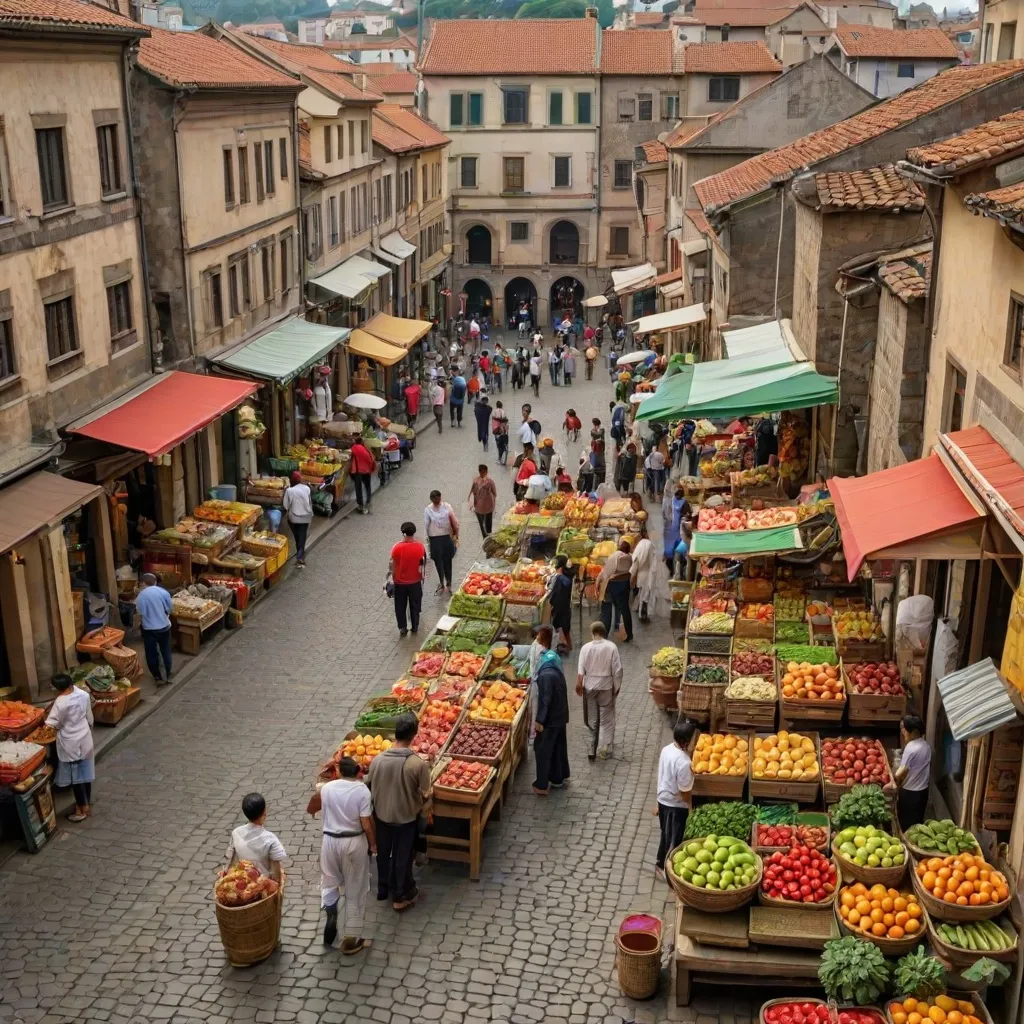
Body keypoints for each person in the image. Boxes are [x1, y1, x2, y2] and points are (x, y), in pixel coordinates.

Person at [306, 757, 375, 953]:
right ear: (357, 772)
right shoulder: (362, 791)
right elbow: (366, 823)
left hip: (329, 842)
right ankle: (351, 940)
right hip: (353, 842)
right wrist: (373, 843)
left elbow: (311, 806)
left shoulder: (328, 788)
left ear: (339, 771)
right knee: (356, 888)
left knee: (329, 881)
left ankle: (330, 911)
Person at [367, 712, 432, 912]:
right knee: (402, 857)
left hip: (383, 816)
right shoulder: (417, 764)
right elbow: (426, 794)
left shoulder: (377, 760)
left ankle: (383, 889)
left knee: (384, 854)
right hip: (405, 819)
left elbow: (368, 785)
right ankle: (400, 896)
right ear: (414, 735)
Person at [45, 673, 95, 822]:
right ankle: (87, 802)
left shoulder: (61, 702)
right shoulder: (83, 694)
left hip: (70, 741)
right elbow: (89, 718)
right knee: (85, 773)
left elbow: (53, 723)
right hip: (84, 737)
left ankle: (82, 809)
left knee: (76, 777)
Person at [576, 622, 623, 761]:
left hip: (589, 687)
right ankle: (605, 748)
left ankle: (591, 748)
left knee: (592, 719)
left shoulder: (585, 648)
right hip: (606, 686)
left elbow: (580, 671)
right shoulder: (611, 647)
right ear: (604, 632)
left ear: (592, 633)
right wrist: (617, 686)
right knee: (607, 719)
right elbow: (618, 670)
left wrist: (579, 686)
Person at [656, 720, 696, 877]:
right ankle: (669, 871)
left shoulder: (667, 749)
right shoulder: (684, 762)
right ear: (686, 741)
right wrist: (691, 810)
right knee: (674, 839)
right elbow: (685, 793)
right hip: (675, 806)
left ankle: (660, 863)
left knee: (665, 834)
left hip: (663, 799)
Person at [532, 643, 571, 796]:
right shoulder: (555, 670)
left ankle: (541, 784)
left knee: (542, 749)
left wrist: (540, 720)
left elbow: (545, 699)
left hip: (551, 719)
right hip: (560, 716)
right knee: (558, 748)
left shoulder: (545, 675)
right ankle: (557, 779)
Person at [226, 792, 287, 882]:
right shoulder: (270, 839)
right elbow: (276, 873)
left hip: (243, 882)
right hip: (263, 886)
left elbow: (231, 862)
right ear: (265, 811)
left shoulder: (236, 833)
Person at [389, 521, 426, 637]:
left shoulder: (396, 548)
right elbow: (423, 562)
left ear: (403, 534)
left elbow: (391, 564)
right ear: (414, 533)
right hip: (415, 581)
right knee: (415, 604)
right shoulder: (420, 547)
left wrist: (390, 577)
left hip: (399, 582)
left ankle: (402, 627)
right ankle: (415, 626)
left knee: (400, 605)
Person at [136, 572, 173, 684]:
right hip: (165, 626)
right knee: (166, 650)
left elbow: (140, 613)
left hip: (149, 629)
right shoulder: (163, 592)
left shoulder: (140, 596)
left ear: (143, 583)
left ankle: (157, 676)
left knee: (151, 653)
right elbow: (170, 608)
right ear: (155, 582)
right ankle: (167, 673)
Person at [895, 715, 931, 829]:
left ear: (914, 732)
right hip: (923, 792)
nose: (903, 732)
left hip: (910, 793)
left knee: (905, 826)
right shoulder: (926, 745)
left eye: (905, 729)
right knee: (917, 825)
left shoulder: (911, 747)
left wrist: (893, 780)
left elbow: (901, 773)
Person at [598, 539, 634, 643]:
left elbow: (606, 573)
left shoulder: (614, 556)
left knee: (607, 608)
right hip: (625, 585)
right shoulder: (630, 557)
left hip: (613, 585)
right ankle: (629, 633)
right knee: (625, 609)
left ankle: (605, 634)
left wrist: (601, 581)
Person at [424, 491, 458, 594]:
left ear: (440, 498)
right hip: (435, 539)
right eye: (435, 500)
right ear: (432, 500)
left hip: (446, 537)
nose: (437, 501)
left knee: (447, 561)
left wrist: (456, 534)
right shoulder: (428, 510)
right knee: (439, 562)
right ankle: (442, 582)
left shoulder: (447, 506)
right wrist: (427, 540)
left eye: (438, 499)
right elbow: (426, 525)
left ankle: (448, 582)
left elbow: (454, 520)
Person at [283, 470, 313, 566]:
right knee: (302, 535)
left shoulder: (289, 491)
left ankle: (300, 553)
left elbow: (286, 506)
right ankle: (300, 555)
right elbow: (309, 501)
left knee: (297, 536)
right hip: (306, 516)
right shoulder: (307, 488)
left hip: (294, 518)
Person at [630, 529, 658, 624]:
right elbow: (652, 562)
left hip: (639, 573)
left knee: (640, 593)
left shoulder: (640, 544)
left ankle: (640, 611)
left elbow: (635, 559)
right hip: (647, 573)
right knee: (645, 596)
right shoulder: (649, 544)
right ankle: (642, 615)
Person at [549, 554, 573, 652]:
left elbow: (554, 592)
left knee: (559, 624)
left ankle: (565, 645)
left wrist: (551, 604)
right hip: (566, 606)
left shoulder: (560, 578)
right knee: (565, 627)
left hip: (560, 606)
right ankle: (567, 644)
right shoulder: (568, 574)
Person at [663, 485, 690, 572]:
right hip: (672, 530)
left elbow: (686, 516)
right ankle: (673, 570)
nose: (678, 495)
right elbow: (665, 514)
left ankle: (679, 570)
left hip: (678, 531)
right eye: (677, 494)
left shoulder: (683, 502)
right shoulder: (671, 501)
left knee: (680, 552)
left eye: (679, 494)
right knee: (670, 552)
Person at [468, 464, 497, 537]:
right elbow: (494, 493)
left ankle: (485, 535)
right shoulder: (490, 481)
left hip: (480, 506)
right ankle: (488, 535)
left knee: (482, 522)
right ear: (486, 472)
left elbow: (473, 492)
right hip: (486, 506)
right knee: (488, 521)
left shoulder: (476, 480)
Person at [349, 438, 376, 515]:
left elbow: (351, 453)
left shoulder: (355, 447)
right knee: (368, 487)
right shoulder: (366, 449)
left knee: (359, 488)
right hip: (367, 471)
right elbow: (372, 459)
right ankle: (368, 501)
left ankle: (361, 506)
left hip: (359, 471)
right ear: (362, 442)